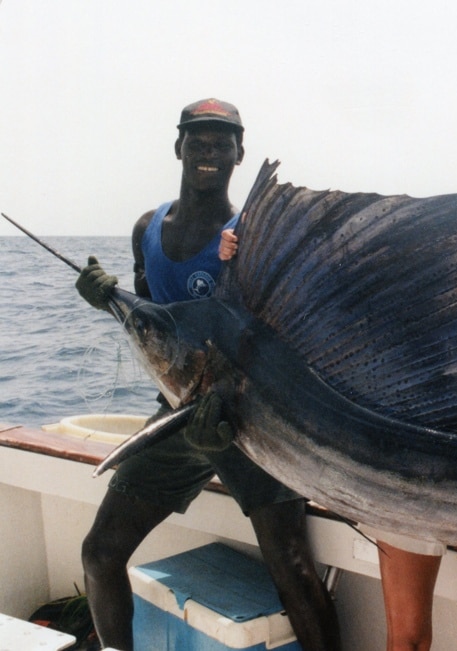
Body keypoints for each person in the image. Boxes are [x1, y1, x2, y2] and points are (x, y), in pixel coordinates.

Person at [218, 168, 457, 650]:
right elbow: (347, 269)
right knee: (406, 639)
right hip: (397, 474)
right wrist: (248, 249)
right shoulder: (455, 254)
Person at [75, 98, 341, 651]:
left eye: (222, 143)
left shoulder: (250, 234)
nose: (209, 152)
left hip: (253, 421)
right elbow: (156, 325)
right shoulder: (147, 228)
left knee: (290, 567)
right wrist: (110, 302)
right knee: (99, 554)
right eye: (198, 140)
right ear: (178, 147)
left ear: (239, 154)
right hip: (177, 414)